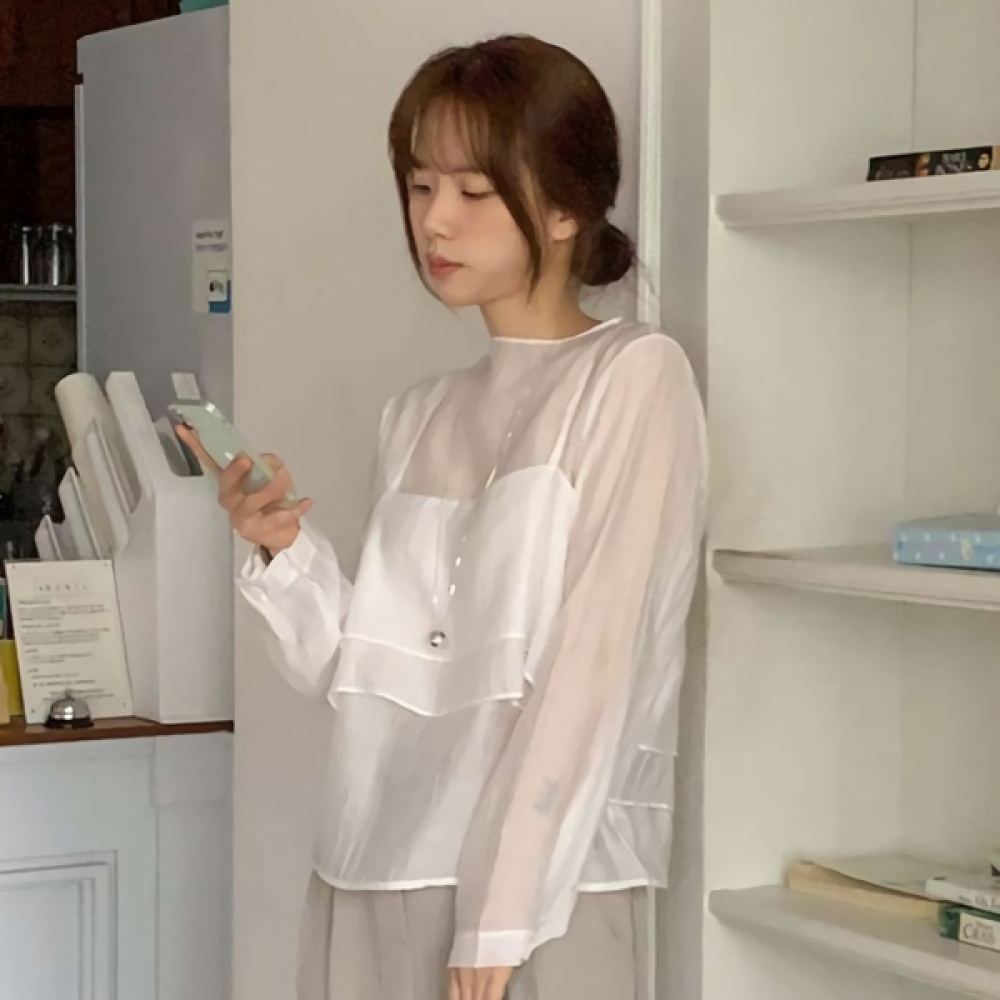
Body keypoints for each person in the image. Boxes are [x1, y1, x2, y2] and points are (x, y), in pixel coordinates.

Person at [179, 33, 707, 1000]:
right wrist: (283, 547)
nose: (435, 219)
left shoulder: (634, 377)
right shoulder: (418, 413)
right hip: (365, 868)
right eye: (420, 186)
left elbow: (597, 666)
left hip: (543, 895)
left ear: (564, 206)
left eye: (473, 190)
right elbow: (360, 674)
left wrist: (500, 917)